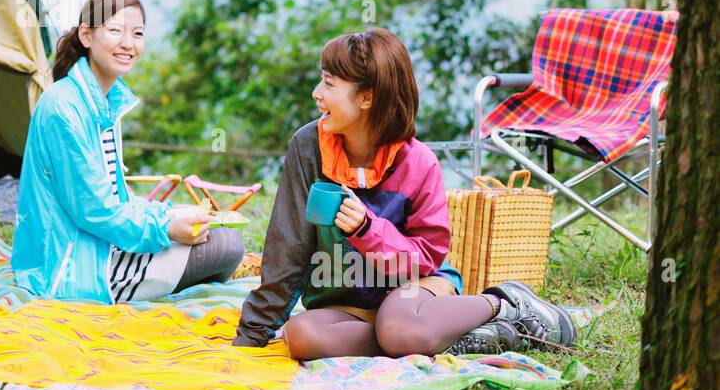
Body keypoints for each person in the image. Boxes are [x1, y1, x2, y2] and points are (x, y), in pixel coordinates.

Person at [232, 27, 577, 358]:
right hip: (344, 302)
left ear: (367, 97)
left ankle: (505, 303)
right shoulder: (309, 148)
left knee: (398, 328)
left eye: (328, 83)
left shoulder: (418, 162)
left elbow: (427, 256)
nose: (316, 93)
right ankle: (441, 338)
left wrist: (367, 230)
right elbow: (287, 244)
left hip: (415, 290)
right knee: (302, 337)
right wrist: (254, 331)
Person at [11, 0, 245, 303]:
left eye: (137, 33)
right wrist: (165, 228)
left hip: (99, 246)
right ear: (86, 36)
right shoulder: (63, 107)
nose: (128, 44)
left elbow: (114, 197)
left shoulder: (103, 101)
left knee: (216, 237)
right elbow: (94, 211)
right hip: (72, 267)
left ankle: (159, 285)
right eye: (115, 31)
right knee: (226, 247)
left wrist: (170, 213)